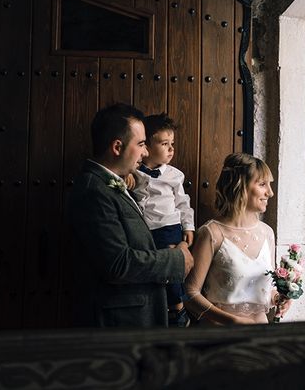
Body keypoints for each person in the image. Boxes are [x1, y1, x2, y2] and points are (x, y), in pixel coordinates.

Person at [67, 103, 194, 328]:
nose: (145, 152)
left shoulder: (116, 182)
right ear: (117, 147)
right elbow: (118, 263)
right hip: (118, 324)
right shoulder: (94, 190)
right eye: (141, 144)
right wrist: (176, 259)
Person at [183, 152, 290, 324]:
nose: (270, 193)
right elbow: (189, 293)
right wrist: (231, 321)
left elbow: (263, 290)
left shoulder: (267, 233)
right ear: (241, 186)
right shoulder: (212, 233)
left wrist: (279, 298)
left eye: (269, 185)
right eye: (263, 184)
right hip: (222, 335)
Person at [128, 113, 196, 327]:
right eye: (164, 143)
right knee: (152, 271)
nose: (171, 149)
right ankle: (155, 308)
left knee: (174, 268)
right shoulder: (133, 172)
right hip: (144, 230)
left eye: (172, 143)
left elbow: (183, 202)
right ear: (146, 146)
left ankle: (178, 309)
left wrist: (189, 226)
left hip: (169, 228)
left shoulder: (174, 175)